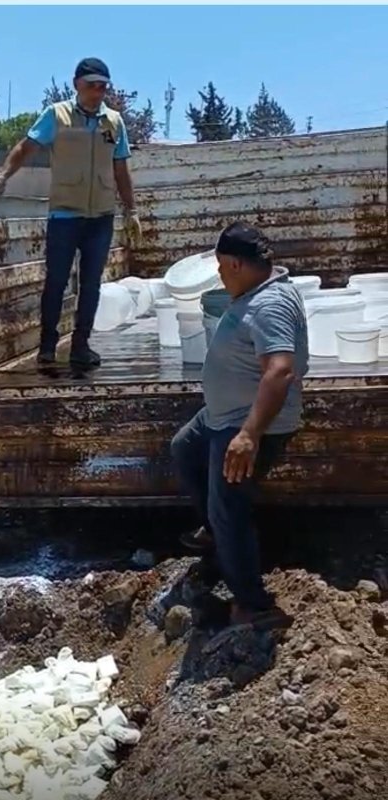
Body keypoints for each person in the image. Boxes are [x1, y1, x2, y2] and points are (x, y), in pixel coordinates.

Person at [171, 221, 309, 627]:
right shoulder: (255, 293)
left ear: (234, 263)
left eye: (219, 266)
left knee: (228, 506)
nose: (217, 275)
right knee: (185, 447)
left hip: (245, 423)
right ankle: (216, 533)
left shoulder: (270, 304)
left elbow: (280, 371)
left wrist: (249, 434)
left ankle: (253, 604)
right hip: (222, 416)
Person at [0, 57, 142, 369]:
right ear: (76, 85)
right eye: (91, 85)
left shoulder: (114, 122)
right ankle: (47, 347)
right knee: (55, 281)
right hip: (65, 215)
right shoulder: (58, 115)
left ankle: (81, 345)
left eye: (102, 86)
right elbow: (26, 147)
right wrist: (3, 177)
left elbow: (121, 168)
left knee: (91, 283)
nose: (98, 91)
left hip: (101, 216)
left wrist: (131, 209)